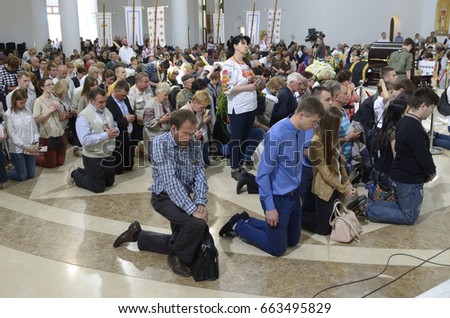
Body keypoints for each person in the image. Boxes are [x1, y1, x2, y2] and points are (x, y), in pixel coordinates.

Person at [219, 97, 324, 256]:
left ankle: (250, 221)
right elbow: (262, 175)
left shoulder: (303, 131)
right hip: (278, 197)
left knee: (292, 240)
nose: (315, 126)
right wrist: (270, 207)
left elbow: (297, 164)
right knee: (277, 248)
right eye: (314, 121)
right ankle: (239, 225)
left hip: (294, 195)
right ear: (302, 115)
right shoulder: (277, 134)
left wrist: (299, 193)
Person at [113, 109, 208, 277]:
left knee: (181, 239)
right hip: (163, 197)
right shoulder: (159, 144)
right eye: (186, 133)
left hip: (183, 197)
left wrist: (200, 203)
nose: (190, 137)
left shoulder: (195, 144)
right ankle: (176, 257)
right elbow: (170, 182)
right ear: (173, 129)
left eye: (192, 133)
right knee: (196, 225)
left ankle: (137, 234)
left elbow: (200, 175)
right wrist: (193, 210)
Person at [365, 87, 439, 225]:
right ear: (423, 106)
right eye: (432, 108)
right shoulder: (414, 127)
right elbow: (423, 155)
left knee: (402, 207)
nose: (431, 112)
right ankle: (369, 208)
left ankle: (371, 204)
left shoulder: (403, 121)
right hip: (408, 179)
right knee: (408, 215)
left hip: (400, 175)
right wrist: (432, 171)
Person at [302, 107, 357, 235]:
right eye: (338, 123)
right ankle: (294, 218)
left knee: (333, 221)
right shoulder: (316, 142)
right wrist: (344, 189)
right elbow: (325, 173)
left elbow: (341, 165)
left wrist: (347, 183)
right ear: (332, 124)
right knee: (324, 229)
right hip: (324, 189)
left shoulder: (333, 138)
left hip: (335, 187)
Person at [221, 35, 258, 181]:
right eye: (243, 44)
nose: (246, 46)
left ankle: (241, 164)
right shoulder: (229, 65)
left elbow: (250, 80)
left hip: (250, 104)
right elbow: (227, 88)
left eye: (247, 44)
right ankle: (234, 167)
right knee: (236, 139)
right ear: (235, 46)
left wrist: (256, 82)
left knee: (245, 137)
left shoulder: (246, 63)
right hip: (239, 106)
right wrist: (248, 87)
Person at [66, 88, 119, 193]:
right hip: (93, 156)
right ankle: (74, 173)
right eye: (100, 102)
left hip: (108, 154)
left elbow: (115, 125)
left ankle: (86, 172)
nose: (103, 104)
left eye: (105, 101)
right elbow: (85, 140)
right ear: (91, 101)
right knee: (98, 188)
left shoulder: (107, 111)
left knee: (109, 183)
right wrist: (105, 135)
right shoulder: (84, 116)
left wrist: (116, 131)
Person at [4, 88, 39, 181]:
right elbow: (12, 135)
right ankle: (4, 173)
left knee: (31, 174)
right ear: (14, 101)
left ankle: (17, 168)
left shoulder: (27, 110)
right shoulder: (8, 114)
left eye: (25, 102)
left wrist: (36, 142)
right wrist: (24, 146)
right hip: (18, 149)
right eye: (21, 103)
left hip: (30, 146)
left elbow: (34, 127)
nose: (23, 105)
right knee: (22, 176)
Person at [33, 77, 67, 168]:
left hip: (60, 133)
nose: (51, 86)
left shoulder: (55, 98)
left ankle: (43, 152)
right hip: (48, 136)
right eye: (48, 85)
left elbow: (61, 118)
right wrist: (49, 110)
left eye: (52, 84)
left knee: (60, 162)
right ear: (42, 87)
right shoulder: (38, 101)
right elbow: (36, 120)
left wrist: (59, 109)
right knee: (51, 164)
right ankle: (36, 154)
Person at [106, 79, 137, 174]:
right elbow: (110, 122)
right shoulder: (108, 103)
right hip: (118, 135)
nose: (124, 97)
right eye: (123, 95)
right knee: (118, 169)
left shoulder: (125, 99)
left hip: (128, 132)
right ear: (115, 91)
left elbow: (130, 111)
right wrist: (125, 120)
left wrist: (132, 116)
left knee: (129, 165)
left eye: (125, 95)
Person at [142, 82, 172, 160]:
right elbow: (147, 122)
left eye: (168, 95)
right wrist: (160, 120)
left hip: (165, 134)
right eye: (165, 95)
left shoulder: (166, 102)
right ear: (158, 93)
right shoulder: (150, 104)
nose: (167, 97)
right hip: (153, 135)